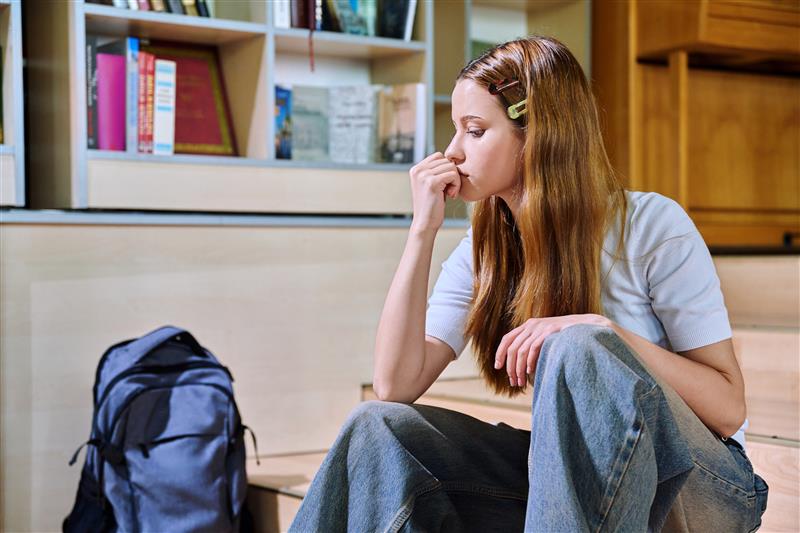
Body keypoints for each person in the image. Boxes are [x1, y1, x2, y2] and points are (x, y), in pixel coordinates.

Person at [288, 36, 769, 532]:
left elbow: (727, 410)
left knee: (581, 346)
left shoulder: (651, 225)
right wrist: (421, 231)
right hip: (579, 492)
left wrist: (606, 334)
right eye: (456, 130)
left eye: (474, 131)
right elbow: (395, 384)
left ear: (537, 134)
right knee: (377, 428)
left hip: (709, 488)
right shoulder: (484, 249)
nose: (452, 152)